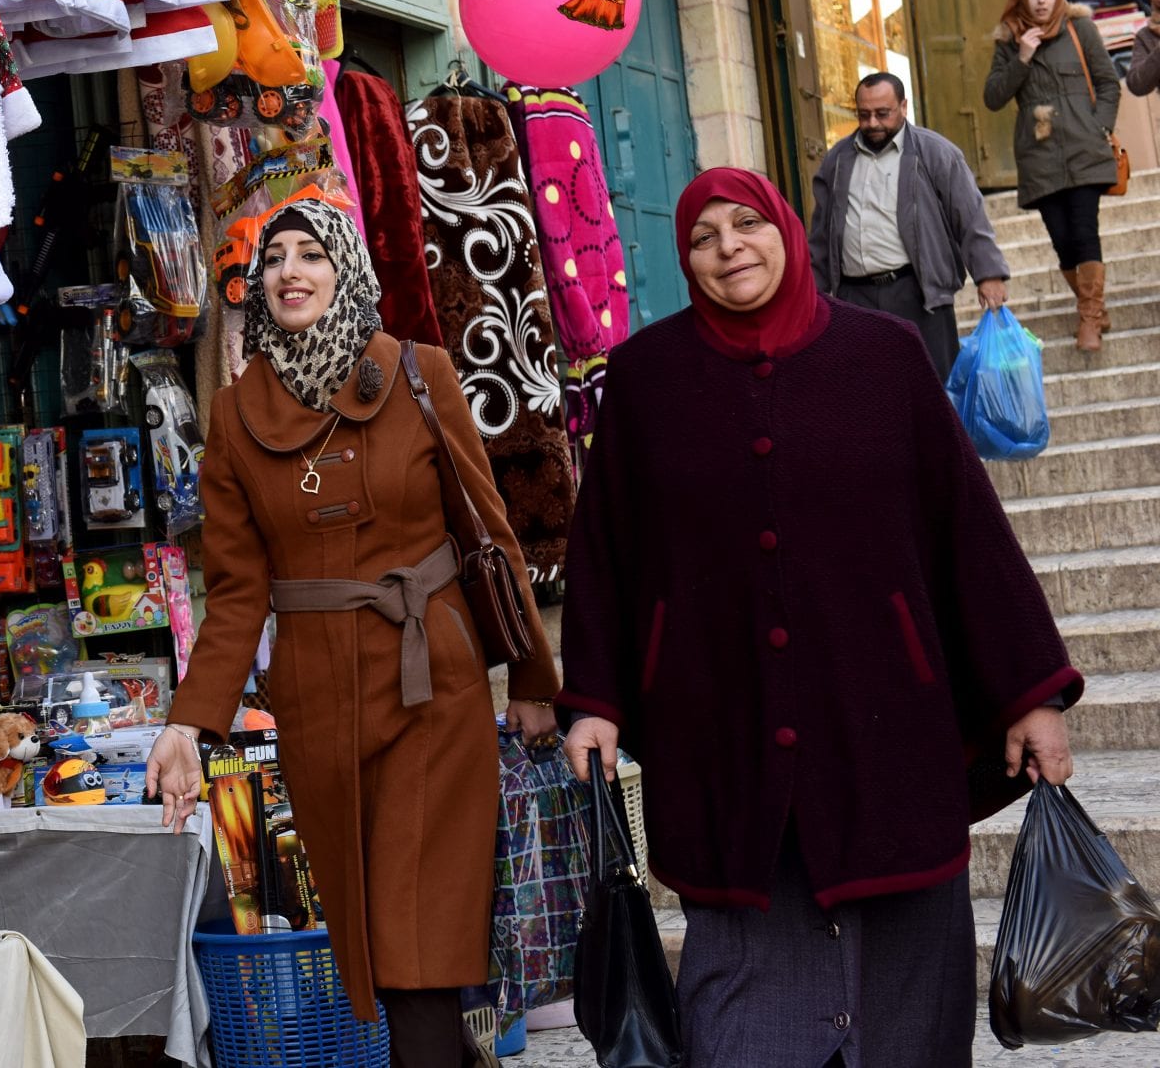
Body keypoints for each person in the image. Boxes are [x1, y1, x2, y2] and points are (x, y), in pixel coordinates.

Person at [559, 168, 1081, 1067]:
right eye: (703, 237)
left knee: (911, 1018)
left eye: (747, 224)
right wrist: (598, 696)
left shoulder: (883, 355)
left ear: (788, 233)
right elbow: (606, 553)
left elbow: (967, 532)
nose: (730, 248)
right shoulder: (645, 379)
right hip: (721, 730)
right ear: (684, 260)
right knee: (735, 1018)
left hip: (884, 723)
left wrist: (1030, 692)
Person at [144, 194, 559, 1068]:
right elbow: (235, 596)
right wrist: (188, 722)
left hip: (432, 678)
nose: (291, 269)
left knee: (417, 929)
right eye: (275, 257)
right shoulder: (235, 414)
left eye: (312, 253)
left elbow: (489, 531)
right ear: (258, 287)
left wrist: (532, 679)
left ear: (348, 273)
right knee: (372, 928)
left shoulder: (420, 372)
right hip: (318, 704)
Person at [807, 73, 1008, 380]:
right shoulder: (837, 161)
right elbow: (821, 235)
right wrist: (815, 295)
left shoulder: (935, 152)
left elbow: (968, 215)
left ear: (903, 106)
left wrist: (988, 273)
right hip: (855, 298)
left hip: (918, 292)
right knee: (870, 394)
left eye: (882, 114)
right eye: (864, 115)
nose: (873, 123)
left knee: (935, 392)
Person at [984, 0, 1120, 352]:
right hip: (1039, 156)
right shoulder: (1010, 41)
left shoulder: (1081, 29)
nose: (1042, 1)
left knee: (1083, 231)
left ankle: (1089, 318)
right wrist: (1022, 57)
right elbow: (993, 98)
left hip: (1083, 148)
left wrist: (1100, 127)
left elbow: (1108, 83)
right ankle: (1093, 305)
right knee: (1062, 241)